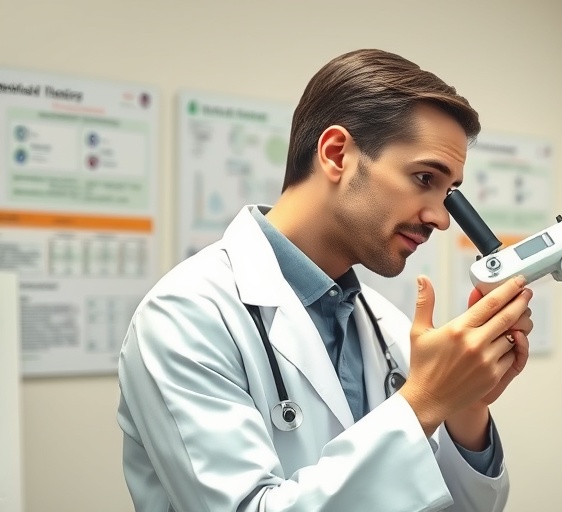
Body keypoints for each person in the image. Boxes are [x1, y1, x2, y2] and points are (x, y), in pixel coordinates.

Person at [117, 49, 534, 512]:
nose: (440, 219)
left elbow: (465, 507)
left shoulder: (386, 326)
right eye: (423, 178)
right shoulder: (185, 315)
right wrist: (424, 402)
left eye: (448, 194)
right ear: (338, 155)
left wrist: (464, 406)